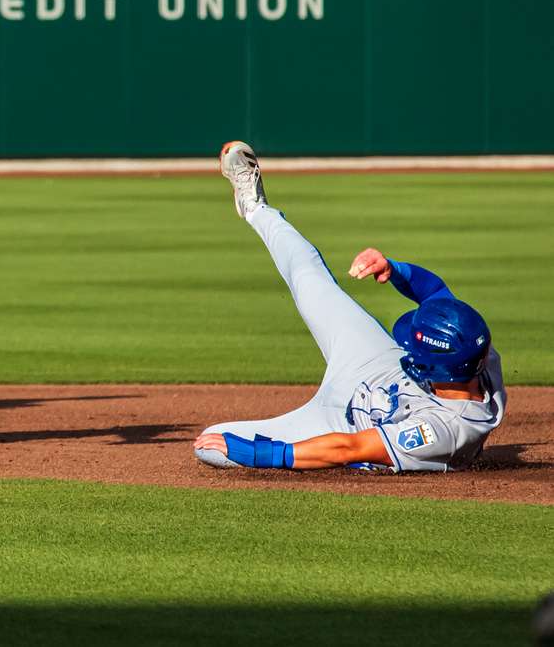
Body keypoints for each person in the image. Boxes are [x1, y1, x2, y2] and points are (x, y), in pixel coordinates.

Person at [193, 141, 506, 472]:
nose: (407, 341)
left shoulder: (446, 431)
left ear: (431, 368)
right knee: (309, 277)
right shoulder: (470, 344)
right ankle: (256, 208)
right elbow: (437, 295)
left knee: (213, 442)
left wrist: (263, 455)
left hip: (337, 425)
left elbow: (348, 447)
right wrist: (394, 269)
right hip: (371, 363)